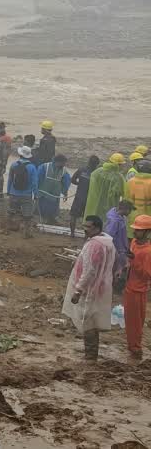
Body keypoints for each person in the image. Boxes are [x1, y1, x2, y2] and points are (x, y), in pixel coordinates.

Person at [62, 214, 116, 361]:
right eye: (84, 226)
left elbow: (90, 271)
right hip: (99, 287)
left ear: (97, 228)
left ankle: (90, 357)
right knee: (91, 319)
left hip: (90, 289)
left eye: (88, 227)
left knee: (88, 321)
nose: (85, 229)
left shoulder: (95, 245)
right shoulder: (106, 242)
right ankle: (91, 355)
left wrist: (78, 290)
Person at [123, 215, 151, 361]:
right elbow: (130, 260)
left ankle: (136, 348)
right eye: (135, 229)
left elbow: (148, 274)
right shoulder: (134, 242)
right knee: (130, 320)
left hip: (138, 290)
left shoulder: (148, 251)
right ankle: (132, 345)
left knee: (136, 322)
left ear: (147, 232)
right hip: (129, 286)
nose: (135, 232)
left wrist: (134, 262)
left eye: (139, 230)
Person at [6, 146, 39, 237]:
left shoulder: (13, 165)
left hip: (14, 193)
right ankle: (27, 233)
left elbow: (10, 179)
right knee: (27, 215)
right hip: (26, 195)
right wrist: (36, 195)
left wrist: (9, 191)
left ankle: (5, 229)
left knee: (11, 212)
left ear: (20, 155)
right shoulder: (32, 167)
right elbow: (34, 183)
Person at [85, 153, 128, 220]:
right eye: (121, 165)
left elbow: (91, 187)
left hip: (95, 205)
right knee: (107, 225)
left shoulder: (97, 172)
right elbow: (124, 193)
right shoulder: (119, 177)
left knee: (96, 224)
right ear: (118, 165)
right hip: (110, 208)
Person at [36, 154, 72, 228]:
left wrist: (65, 193)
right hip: (43, 193)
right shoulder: (44, 167)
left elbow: (66, 182)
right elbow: (37, 178)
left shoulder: (64, 171)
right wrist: (35, 190)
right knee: (42, 206)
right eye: (63, 163)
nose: (64, 165)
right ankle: (43, 219)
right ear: (57, 161)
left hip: (54, 194)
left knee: (53, 208)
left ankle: (51, 219)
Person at [69, 155, 102, 234]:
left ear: (88, 162)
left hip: (79, 197)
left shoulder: (81, 170)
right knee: (88, 218)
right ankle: (86, 235)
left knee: (73, 216)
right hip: (89, 199)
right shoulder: (97, 173)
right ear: (97, 164)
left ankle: (72, 233)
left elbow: (73, 180)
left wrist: (80, 184)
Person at [106, 202, 135, 285]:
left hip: (121, 248)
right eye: (129, 210)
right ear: (124, 209)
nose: (130, 212)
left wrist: (127, 248)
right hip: (116, 249)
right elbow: (110, 237)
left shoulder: (120, 217)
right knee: (114, 268)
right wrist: (115, 251)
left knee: (119, 267)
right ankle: (112, 285)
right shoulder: (114, 221)